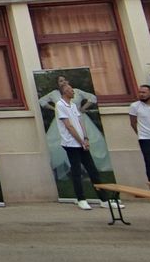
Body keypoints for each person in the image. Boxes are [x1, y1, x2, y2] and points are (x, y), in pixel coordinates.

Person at [39, 75, 110, 182]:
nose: (63, 82)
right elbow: (42, 101)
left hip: (80, 119)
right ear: (57, 84)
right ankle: (69, 170)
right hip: (63, 121)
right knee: (60, 144)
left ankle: (88, 171)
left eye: (64, 80)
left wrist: (83, 108)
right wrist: (54, 109)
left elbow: (92, 98)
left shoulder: (76, 91)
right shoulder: (54, 94)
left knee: (91, 142)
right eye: (60, 81)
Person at [56, 82, 111, 210]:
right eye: (70, 89)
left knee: (92, 170)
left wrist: (85, 138)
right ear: (64, 92)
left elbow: (80, 123)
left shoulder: (73, 105)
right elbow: (68, 126)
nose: (73, 91)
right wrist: (80, 141)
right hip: (71, 143)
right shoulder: (60, 105)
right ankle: (81, 198)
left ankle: (103, 198)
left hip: (81, 142)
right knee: (76, 171)